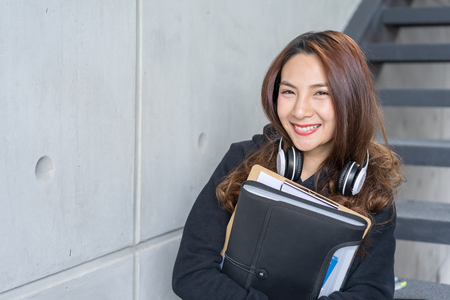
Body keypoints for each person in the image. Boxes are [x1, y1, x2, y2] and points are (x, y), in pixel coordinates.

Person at [172, 30, 403, 300]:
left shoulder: (371, 188)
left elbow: (372, 292)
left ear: (350, 100)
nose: (300, 110)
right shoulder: (241, 159)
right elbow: (191, 272)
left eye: (321, 93)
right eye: (288, 91)